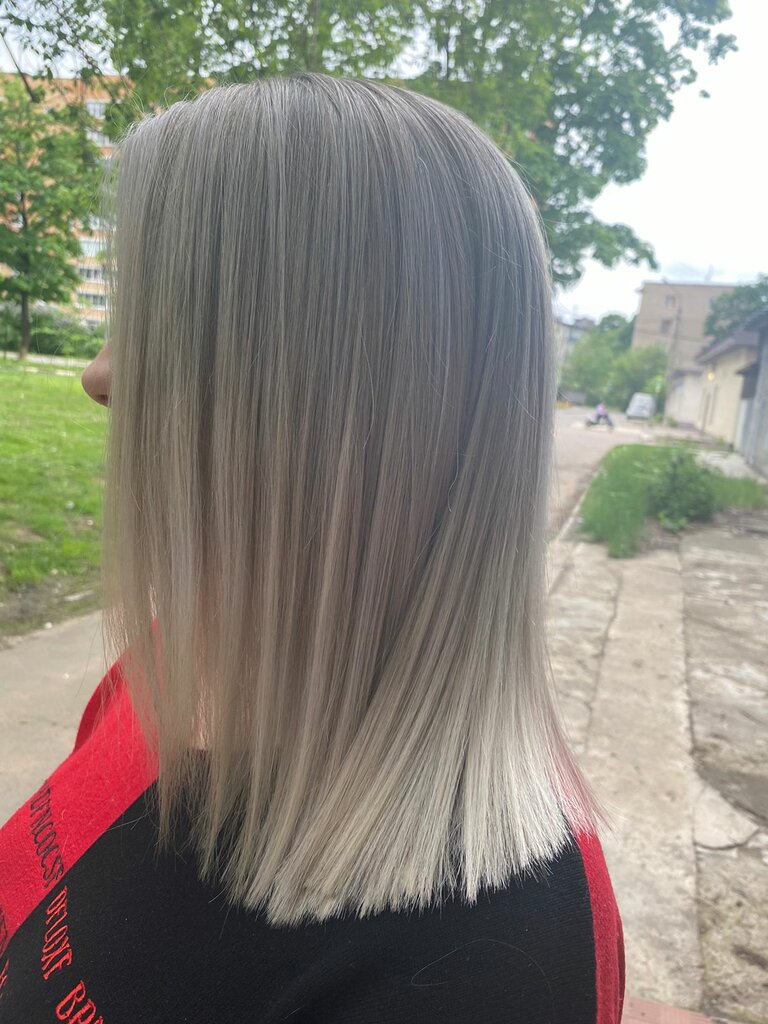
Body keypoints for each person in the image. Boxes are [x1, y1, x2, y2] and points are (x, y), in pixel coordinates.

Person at [0, 74, 624, 1022]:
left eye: (173, 322)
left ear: (337, 403)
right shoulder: (169, 663)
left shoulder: (501, 962)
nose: (100, 376)